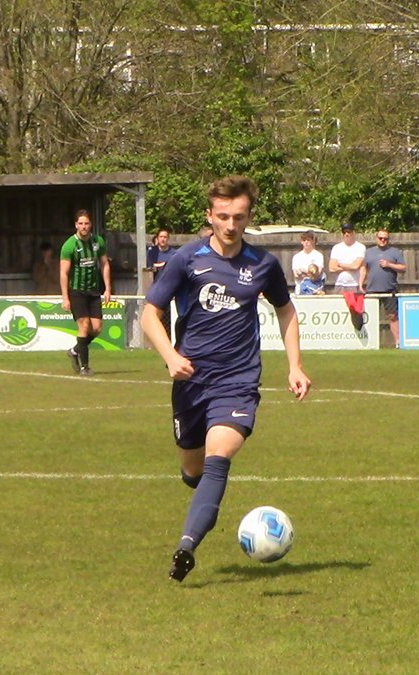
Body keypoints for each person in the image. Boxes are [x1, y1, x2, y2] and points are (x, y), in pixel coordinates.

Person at [141, 175, 311, 583]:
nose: (231, 225)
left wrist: (295, 366)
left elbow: (285, 311)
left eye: (238, 217)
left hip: (238, 380)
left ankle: (186, 546)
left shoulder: (263, 265)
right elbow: (150, 313)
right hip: (191, 381)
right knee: (194, 470)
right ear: (210, 216)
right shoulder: (187, 259)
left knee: (219, 460)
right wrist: (170, 356)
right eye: (223, 217)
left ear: (248, 216)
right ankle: (202, 499)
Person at [59, 209, 112, 376]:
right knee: (84, 325)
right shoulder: (69, 245)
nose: (84, 226)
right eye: (80, 223)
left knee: (96, 328)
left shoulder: (98, 242)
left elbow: (104, 264)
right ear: (76, 225)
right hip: (77, 291)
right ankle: (85, 367)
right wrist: (65, 297)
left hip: (94, 291)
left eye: (86, 223)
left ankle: (75, 351)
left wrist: (108, 288)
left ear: (91, 224)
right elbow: (63, 273)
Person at [359, 229, 407, 345]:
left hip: (389, 289)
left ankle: (397, 342)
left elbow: (403, 268)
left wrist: (389, 264)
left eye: (385, 239)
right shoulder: (369, 252)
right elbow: (363, 268)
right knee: (369, 316)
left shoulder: (395, 252)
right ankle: (368, 343)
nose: (383, 241)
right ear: (377, 239)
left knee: (393, 316)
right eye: (380, 238)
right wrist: (360, 284)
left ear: (388, 240)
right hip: (372, 290)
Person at [328, 223, 365, 294]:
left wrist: (340, 264)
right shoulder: (336, 248)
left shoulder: (360, 247)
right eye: (344, 232)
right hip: (339, 284)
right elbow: (331, 268)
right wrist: (349, 266)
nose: (347, 234)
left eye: (349, 232)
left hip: (354, 284)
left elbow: (355, 266)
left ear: (353, 233)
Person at [291, 232, 325, 296]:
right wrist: (310, 272)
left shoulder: (318, 256)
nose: (306, 242)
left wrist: (303, 272)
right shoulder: (296, 257)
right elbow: (296, 275)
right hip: (300, 291)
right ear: (301, 242)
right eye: (304, 240)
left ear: (312, 241)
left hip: (316, 291)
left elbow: (318, 273)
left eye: (308, 240)